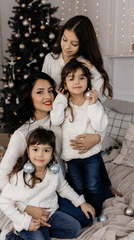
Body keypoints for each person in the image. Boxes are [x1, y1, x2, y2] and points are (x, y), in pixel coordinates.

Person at [0, 72, 95, 233]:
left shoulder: (59, 121)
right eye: (40, 92)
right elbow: (1, 176)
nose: (48, 96)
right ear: (30, 97)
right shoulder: (22, 134)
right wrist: (26, 207)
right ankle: (27, 230)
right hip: (34, 194)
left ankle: (46, 223)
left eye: (50, 91)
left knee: (87, 218)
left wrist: (96, 138)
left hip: (58, 187)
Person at [42, 15, 122, 197]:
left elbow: (98, 99)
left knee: (90, 154)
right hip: (58, 115)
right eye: (64, 39)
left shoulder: (85, 65)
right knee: (67, 161)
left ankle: (105, 187)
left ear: (83, 44)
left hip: (80, 117)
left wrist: (97, 137)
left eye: (74, 43)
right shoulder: (51, 59)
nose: (67, 47)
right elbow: (44, 87)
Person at [0, 127, 95, 240]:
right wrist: (24, 222)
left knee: (74, 229)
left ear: (52, 154)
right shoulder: (20, 177)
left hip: (50, 215)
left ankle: (43, 232)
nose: (40, 155)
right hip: (28, 219)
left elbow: (63, 188)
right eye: (35, 149)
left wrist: (81, 202)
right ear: (28, 152)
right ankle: (9, 236)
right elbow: (4, 202)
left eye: (46, 150)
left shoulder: (54, 171)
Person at [50, 59, 108, 216]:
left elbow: (100, 125)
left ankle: (96, 213)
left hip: (91, 156)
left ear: (88, 81)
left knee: (93, 186)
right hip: (72, 158)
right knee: (79, 187)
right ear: (64, 83)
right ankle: (84, 211)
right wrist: (61, 98)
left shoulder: (91, 102)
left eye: (81, 78)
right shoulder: (64, 103)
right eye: (71, 78)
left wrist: (93, 105)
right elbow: (55, 120)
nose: (77, 82)